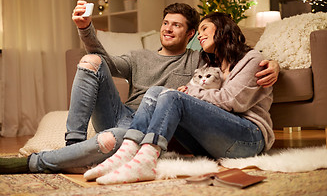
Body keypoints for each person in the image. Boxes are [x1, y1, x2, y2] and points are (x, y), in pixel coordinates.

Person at [0, 2, 279, 175]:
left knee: (144, 109)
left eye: (177, 25)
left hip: (147, 131)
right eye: (165, 23)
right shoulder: (139, 56)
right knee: (92, 61)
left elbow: (240, 58)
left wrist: (275, 65)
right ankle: (72, 145)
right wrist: (85, 28)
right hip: (121, 116)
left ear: (190, 36)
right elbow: (105, 61)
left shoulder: (200, 60)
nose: (167, 28)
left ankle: (40, 163)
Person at [83, 12, 275, 185]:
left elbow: (231, 101)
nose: (200, 35)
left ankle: (146, 160)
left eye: (204, 28)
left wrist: (189, 93)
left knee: (172, 96)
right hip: (212, 146)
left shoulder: (252, 59)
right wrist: (186, 92)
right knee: (156, 91)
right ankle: (128, 152)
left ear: (223, 28)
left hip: (248, 139)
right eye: (198, 31)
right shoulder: (209, 65)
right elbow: (191, 92)